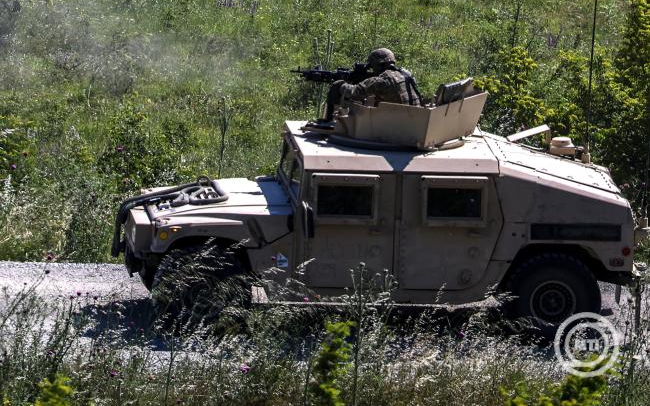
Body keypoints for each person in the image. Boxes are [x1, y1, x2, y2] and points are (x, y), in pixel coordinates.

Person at [323, 48, 422, 122]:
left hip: (395, 124)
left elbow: (354, 93)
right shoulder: (406, 75)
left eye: (372, 66)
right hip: (413, 121)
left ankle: (329, 122)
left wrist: (340, 83)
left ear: (377, 65)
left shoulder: (382, 80)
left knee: (338, 86)